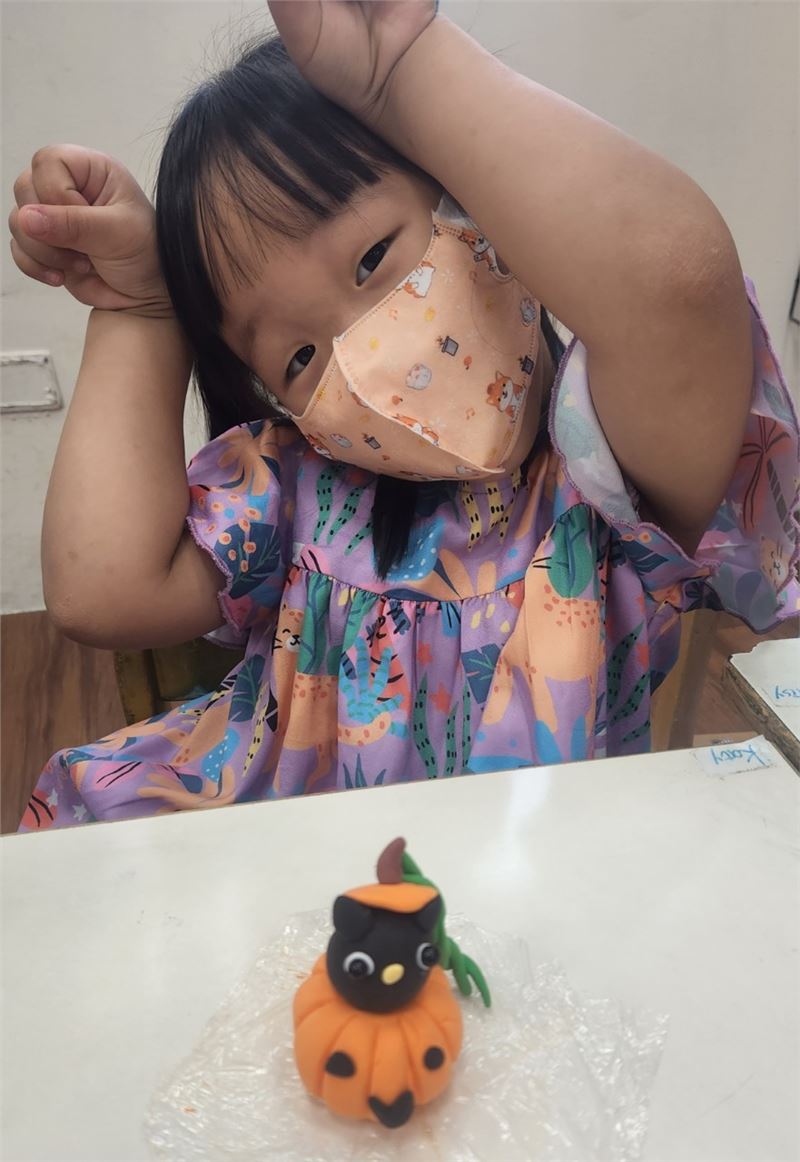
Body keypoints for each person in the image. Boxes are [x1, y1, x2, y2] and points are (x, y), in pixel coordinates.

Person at [9, 1, 798, 830]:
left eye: (373, 258)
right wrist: (139, 309)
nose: (363, 359)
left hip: (543, 879)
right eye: (300, 358)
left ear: (477, 205)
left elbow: (675, 285)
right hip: (288, 859)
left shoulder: (611, 474)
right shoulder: (298, 490)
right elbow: (101, 592)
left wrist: (407, 73)